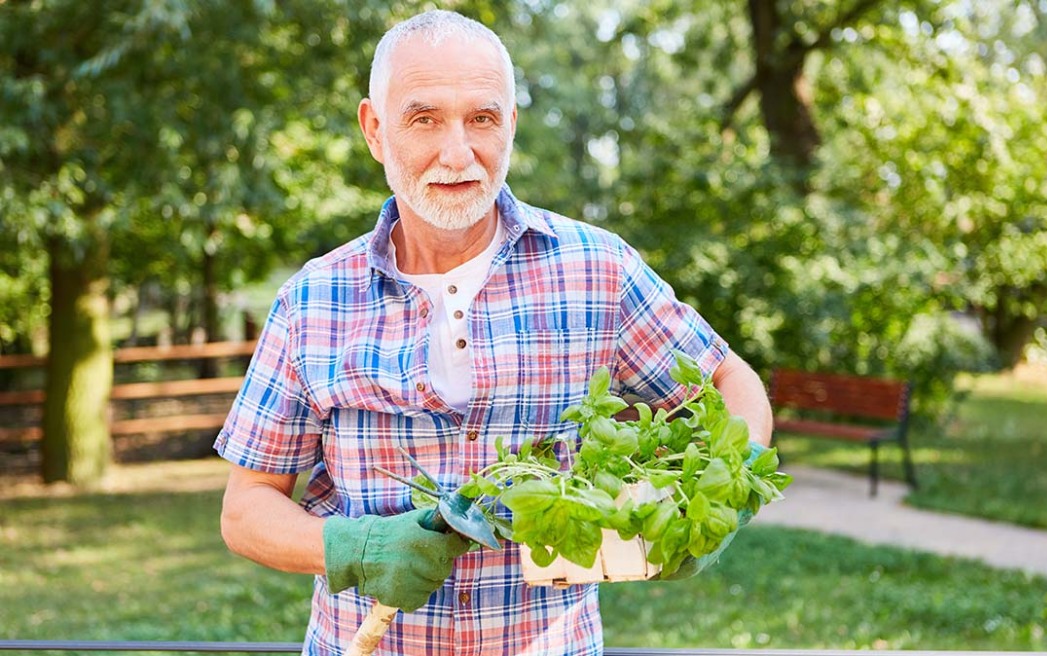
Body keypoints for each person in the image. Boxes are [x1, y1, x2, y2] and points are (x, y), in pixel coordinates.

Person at [216, 9, 773, 656]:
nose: (458, 153)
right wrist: (353, 547)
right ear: (374, 129)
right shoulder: (313, 300)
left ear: (510, 124)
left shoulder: (596, 270)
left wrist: (725, 490)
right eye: (424, 119)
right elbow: (245, 508)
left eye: (481, 119)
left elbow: (728, 382)